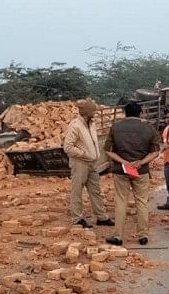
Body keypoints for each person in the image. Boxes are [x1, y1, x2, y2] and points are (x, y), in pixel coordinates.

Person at [104, 101, 161, 246]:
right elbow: (155, 151)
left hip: (120, 170)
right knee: (141, 202)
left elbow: (108, 150)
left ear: (125, 113)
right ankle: (143, 235)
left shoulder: (116, 127)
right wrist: (141, 162)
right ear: (140, 113)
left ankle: (118, 236)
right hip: (141, 170)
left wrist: (124, 162)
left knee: (121, 201)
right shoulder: (149, 128)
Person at [63, 99, 114, 229]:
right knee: (77, 191)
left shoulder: (91, 124)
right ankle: (77, 218)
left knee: (95, 190)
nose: (95, 113)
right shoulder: (75, 126)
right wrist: (83, 154)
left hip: (92, 163)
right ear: (87, 112)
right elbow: (68, 147)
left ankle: (101, 217)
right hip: (80, 163)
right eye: (93, 111)